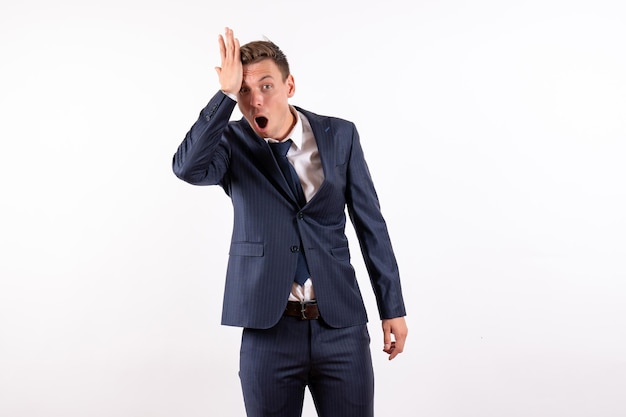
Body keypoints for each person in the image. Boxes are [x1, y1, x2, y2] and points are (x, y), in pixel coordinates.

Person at [172, 27, 408, 417]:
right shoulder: (231, 144)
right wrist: (224, 95)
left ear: (290, 84)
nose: (256, 99)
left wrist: (392, 307)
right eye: (245, 91)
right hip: (269, 331)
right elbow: (187, 168)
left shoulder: (340, 135)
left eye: (266, 85)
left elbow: (372, 226)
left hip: (341, 328)